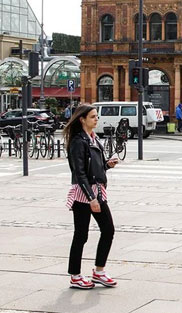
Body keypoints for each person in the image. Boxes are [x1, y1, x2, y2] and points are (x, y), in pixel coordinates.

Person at [64, 103, 119, 290]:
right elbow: (79, 173)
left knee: (108, 229)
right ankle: (75, 275)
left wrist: (107, 165)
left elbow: (94, 167)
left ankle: (99, 271)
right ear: (82, 120)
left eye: (97, 116)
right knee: (81, 235)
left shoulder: (94, 139)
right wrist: (91, 198)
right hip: (84, 194)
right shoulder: (78, 142)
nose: (97, 119)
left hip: (97, 191)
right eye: (93, 117)